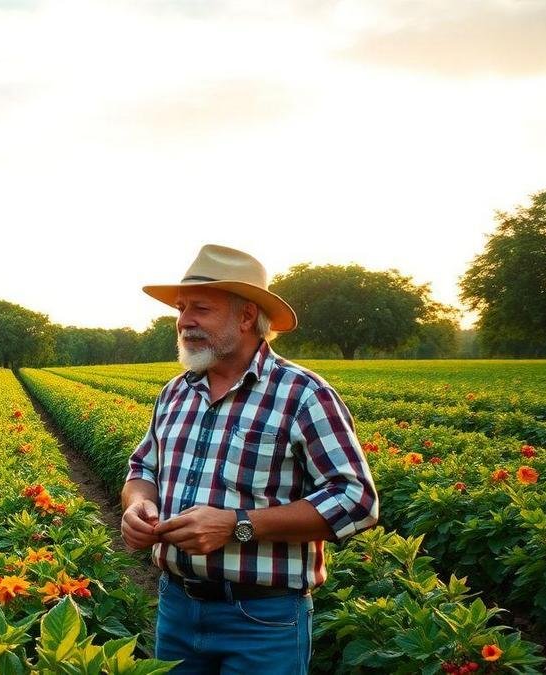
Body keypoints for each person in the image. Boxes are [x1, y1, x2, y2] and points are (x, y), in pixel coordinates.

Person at [120, 244, 379, 674]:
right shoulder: (176, 392)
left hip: (263, 620)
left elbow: (357, 500)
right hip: (177, 606)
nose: (184, 321)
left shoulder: (302, 394)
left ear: (245, 317)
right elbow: (142, 468)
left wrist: (237, 525)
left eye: (200, 308)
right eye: (182, 309)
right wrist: (137, 504)